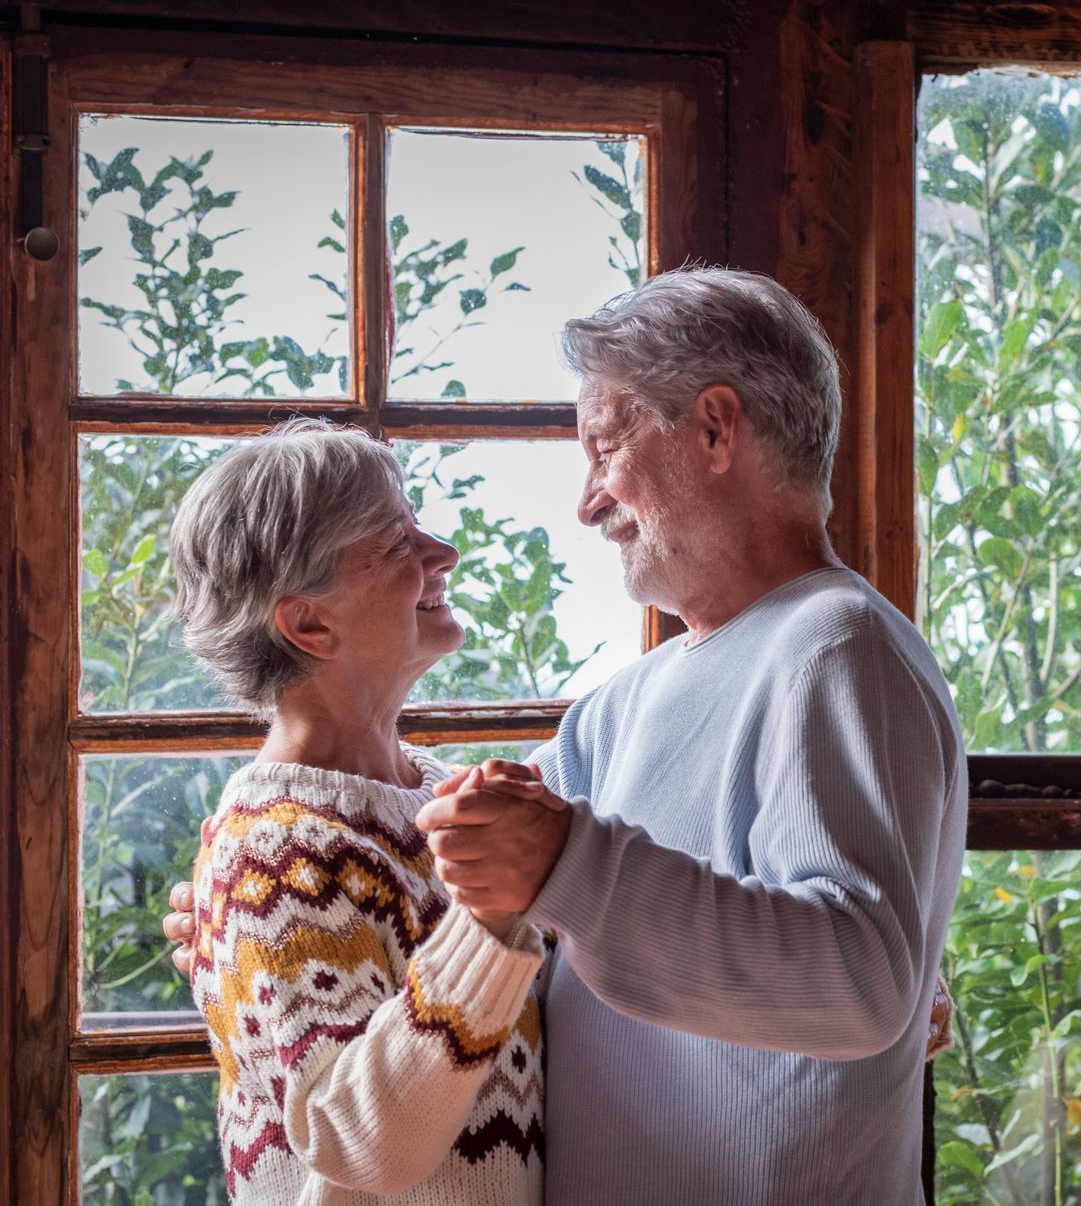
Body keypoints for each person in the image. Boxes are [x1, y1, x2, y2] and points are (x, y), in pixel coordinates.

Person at [168, 267, 968, 1203]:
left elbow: (862, 985)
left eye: (605, 448)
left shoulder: (836, 645)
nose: (588, 502)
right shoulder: (614, 711)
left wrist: (902, 979)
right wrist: (242, 919)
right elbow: (466, 865)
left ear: (715, 430)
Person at [170, 420, 551, 1204]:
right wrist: (489, 917)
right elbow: (355, 1143)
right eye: (396, 540)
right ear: (309, 623)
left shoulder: (442, 802)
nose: (442, 554)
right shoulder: (271, 854)